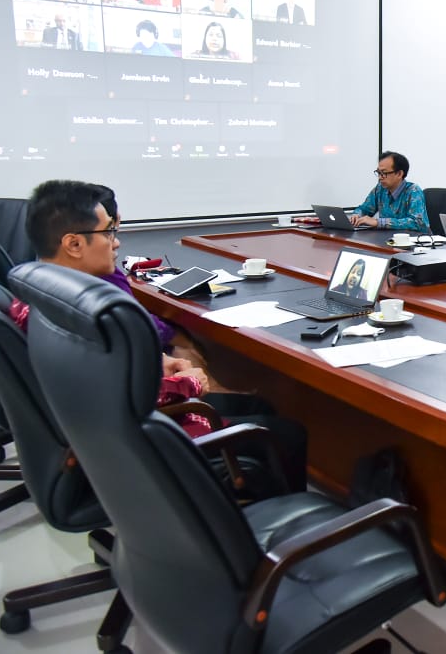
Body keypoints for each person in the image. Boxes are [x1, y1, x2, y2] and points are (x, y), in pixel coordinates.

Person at [19, 180, 308, 492]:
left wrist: (161, 362)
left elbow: (105, 376)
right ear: (73, 244)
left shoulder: (39, 294)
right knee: (286, 434)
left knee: (260, 408)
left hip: (97, 441)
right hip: (145, 445)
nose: (115, 242)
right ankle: (265, 530)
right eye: (107, 232)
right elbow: (127, 396)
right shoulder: (92, 314)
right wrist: (191, 378)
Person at [350, 151, 429, 232]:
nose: (380, 177)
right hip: (387, 239)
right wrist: (357, 215)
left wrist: (379, 222)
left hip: (413, 241)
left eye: (384, 173)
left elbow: (418, 223)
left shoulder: (413, 191)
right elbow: (365, 208)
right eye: (378, 173)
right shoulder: (380, 189)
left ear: (399, 174)